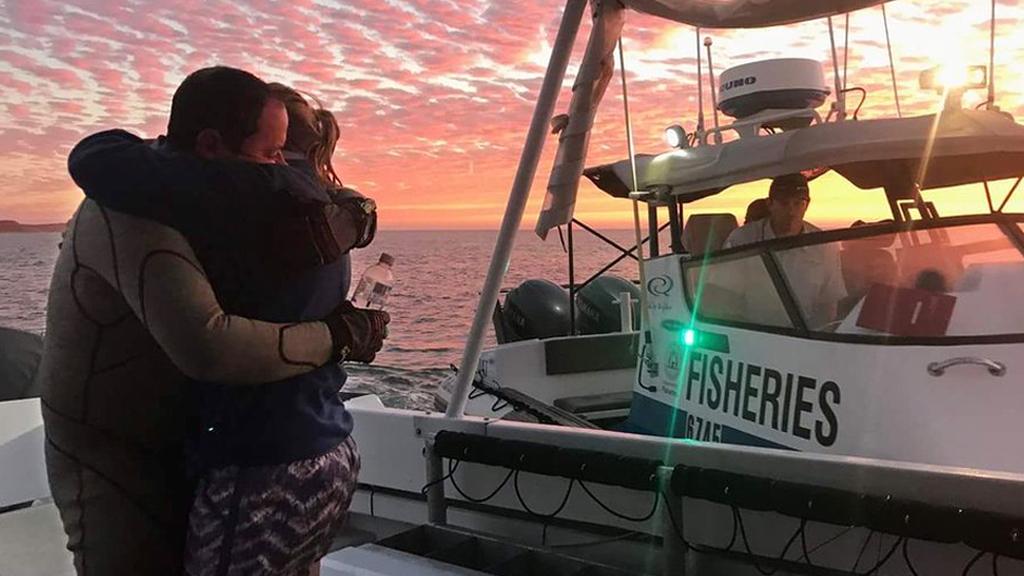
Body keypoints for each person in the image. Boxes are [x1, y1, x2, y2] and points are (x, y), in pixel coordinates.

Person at [44, 67, 387, 575]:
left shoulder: (261, 215)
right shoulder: (130, 205)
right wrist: (338, 335)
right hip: (112, 451)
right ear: (211, 146)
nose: (278, 173)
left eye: (284, 158)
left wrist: (351, 213)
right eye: (268, 157)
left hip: (197, 446)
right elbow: (210, 347)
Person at [723, 173, 846, 328]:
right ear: (770, 204)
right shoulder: (741, 239)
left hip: (805, 338)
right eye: (784, 203)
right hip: (752, 334)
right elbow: (725, 298)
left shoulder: (824, 245)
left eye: (798, 203)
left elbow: (828, 305)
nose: (791, 211)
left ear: (807, 205)